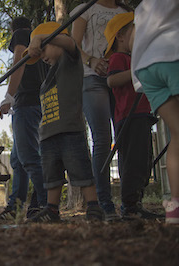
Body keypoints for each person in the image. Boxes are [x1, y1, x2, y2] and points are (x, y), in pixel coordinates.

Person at [26, 22, 103, 222]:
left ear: (56, 40)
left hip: (70, 130)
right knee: (52, 176)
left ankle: (93, 207)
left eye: (44, 49)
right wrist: (40, 42)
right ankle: (52, 210)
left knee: (80, 170)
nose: (42, 56)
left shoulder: (70, 60)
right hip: (48, 134)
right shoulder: (48, 75)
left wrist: (41, 38)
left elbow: (70, 44)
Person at [71, 0, 131, 220]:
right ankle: (104, 204)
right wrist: (91, 60)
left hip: (122, 77)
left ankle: (131, 203)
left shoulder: (126, 12)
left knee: (126, 136)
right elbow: (74, 44)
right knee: (103, 139)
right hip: (92, 79)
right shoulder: (84, 10)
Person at [104, 12, 162, 220]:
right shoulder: (119, 58)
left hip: (143, 115)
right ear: (121, 36)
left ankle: (136, 201)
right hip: (129, 117)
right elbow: (112, 81)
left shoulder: (135, 59)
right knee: (133, 162)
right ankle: (128, 206)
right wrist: (136, 70)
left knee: (144, 162)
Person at [130, 0, 179, 224]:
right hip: (172, 53)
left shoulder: (143, 6)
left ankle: (174, 210)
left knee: (176, 135)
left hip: (146, 67)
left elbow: (132, 40)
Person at [0, 16, 48, 220]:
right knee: (18, 160)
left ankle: (46, 205)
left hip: (26, 102)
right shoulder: (39, 41)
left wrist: (9, 96)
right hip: (33, 103)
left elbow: (19, 61)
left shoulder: (22, 34)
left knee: (29, 157)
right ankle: (18, 206)